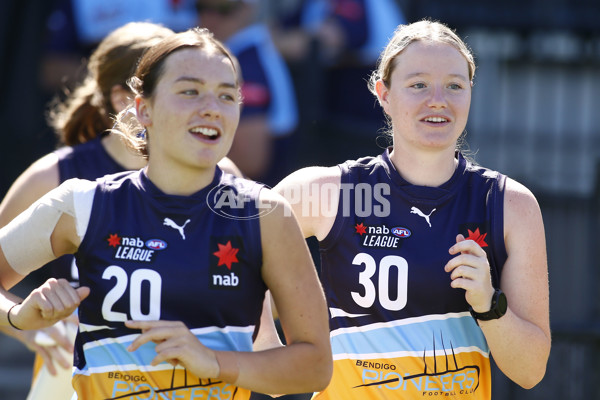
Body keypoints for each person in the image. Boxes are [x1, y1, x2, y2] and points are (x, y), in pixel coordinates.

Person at [0, 27, 332, 399]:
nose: (211, 107)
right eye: (189, 91)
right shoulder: (80, 202)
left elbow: (315, 367)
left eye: (226, 95)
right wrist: (19, 318)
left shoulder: (264, 213)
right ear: (143, 109)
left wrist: (214, 362)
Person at [274, 19, 550, 399]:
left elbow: (531, 371)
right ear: (383, 94)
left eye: (455, 85)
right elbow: (229, 255)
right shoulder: (331, 190)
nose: (438, 99)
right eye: (418, 84)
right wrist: (268, 359)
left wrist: (488, 306)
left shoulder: (509, 204)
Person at [195, 0, 299, 185]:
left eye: (223, 10)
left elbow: (251, 160)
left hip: (252, 200)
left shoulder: (246, 62)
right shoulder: (240, 54)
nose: (210, 18)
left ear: (247, 10)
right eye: (202, 8)